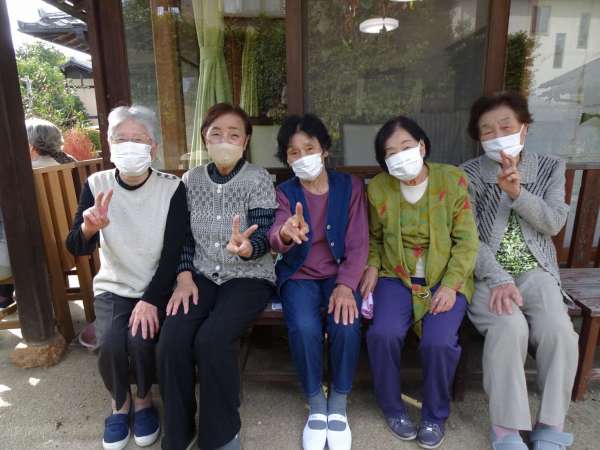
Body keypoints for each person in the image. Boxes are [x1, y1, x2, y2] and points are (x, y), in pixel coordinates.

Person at [461, 91, 578, 450]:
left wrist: (517, 194)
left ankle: (551, 424)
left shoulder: (550, 167)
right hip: (486, 273)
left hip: (536, 270)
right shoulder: (468, 174)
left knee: (559, 330)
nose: (497, 136)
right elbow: (466, 237)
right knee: (509, 327)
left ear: (524, 128)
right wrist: (498, 278)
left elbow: (553, 223)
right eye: (487, 130)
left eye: (506, 126)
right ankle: (507, 428)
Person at [66, 105, 187, 450]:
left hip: (156, 285)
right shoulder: (96, 184)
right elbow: (75, 245)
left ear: (153, 147)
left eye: (139, 139)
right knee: (109, 343)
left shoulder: (172, 188)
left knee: (140, 339)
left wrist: (150, 299)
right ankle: (119, 404)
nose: (130, 146)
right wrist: (89, 227)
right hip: (114, 286)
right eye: (121, 139)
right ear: (109, 145)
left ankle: (144, 400)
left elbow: (174, 252)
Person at [158, 103, 278, 450]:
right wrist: (183, 276)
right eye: (216, 134)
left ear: (246, 141)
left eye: (234, 134)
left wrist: (248, 247)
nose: (225, 140)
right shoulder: (190, 180)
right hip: (201, 275)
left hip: (249, 276)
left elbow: (265, 232)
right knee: (172, 338)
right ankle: (179, 431)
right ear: (205, 139)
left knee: (212, 339)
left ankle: (220, 433)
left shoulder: (257, 178)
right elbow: (182, 237)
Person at [360, 116, 479, 449]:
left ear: (422, 147)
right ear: (383, 160)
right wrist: (372, 266)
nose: (400, 156)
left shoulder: (451, 179)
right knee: (383, 334)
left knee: (438, 342)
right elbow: (374, 237)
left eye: (406, 146)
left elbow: (467, 241)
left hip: (445, 277)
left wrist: (451, 285)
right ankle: (392, 408)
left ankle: (434, 415)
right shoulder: (378, 188)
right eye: (390, 152)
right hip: (395, 276)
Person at [267, 114, 368, 450]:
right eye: (293, 152)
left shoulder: (350, 187)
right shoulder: (285, 192)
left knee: (346, 323)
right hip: (299, 275)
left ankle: (338, 401)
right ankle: (315, 402)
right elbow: (277, 231)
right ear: (286, 158)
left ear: (324, 149)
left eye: (309, 148)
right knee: (304, 327)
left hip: (340, 275)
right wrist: (285, 233)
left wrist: (346, 285)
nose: (302, 156)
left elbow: (358, 243)